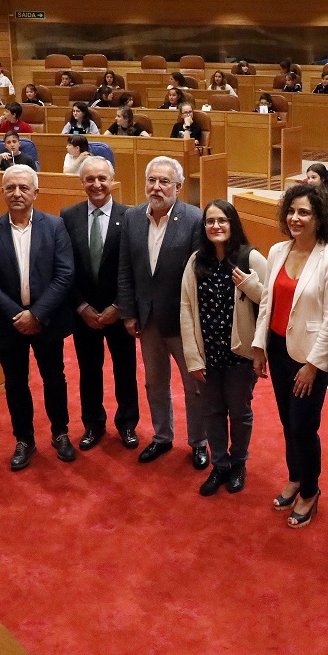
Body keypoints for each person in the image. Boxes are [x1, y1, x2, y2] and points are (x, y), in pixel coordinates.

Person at [251, 183, 328, 528]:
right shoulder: (278, 251)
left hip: (308, 358)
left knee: (303, 426)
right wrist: (259, 346)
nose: (295, 218)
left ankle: (310, 491)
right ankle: (295, 476)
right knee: (285, 421)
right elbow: (267, 302)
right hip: (277, 348)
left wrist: (313, 366)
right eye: (291, 211)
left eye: (304, 212)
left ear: (319, 218)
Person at [0, 165, 76, 470]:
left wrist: (38, 314)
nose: (16, 193)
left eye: (23, 188)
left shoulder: (55, 226)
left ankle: (61, 433)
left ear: (35, 193)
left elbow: (65, 273)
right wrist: (18, 315)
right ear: (2, 192)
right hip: (9, 323)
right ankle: (25, 439)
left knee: (54, 379)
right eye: (10, 188)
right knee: (15, 383)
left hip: (47, 321)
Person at [117, 157, 208, 467]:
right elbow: (125, 268)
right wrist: (128, 312)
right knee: (155, 383)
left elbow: (201, 275)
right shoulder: (131, 217)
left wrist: (198, 322)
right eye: (151, 180)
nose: (156, 187)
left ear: (178, 187)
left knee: (194, 386)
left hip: (183, 322)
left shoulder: (195, 219)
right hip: (148, 319)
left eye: (164, 181)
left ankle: (198, 442)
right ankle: (162, 436)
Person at [180, 199, 267, 496]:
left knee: (240, 411)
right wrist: (192, 357)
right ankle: (220, 465)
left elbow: (269, 304)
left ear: (233, 224)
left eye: (222, 220)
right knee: (213, 411)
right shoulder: (196, 261)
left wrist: (250, 287)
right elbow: (186, 309)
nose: (215, 226)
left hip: (240, 355)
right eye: (210, 221)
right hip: (208, 353)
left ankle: (239, 463)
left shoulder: (251, 258)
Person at [61, 156, 141, 451]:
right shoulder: (67, 216)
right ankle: (93, 424)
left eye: (102, 178)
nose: (97, 184)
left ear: (112, 180)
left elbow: (135, 267)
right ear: (82, 182)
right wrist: (81, 307)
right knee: (89, 371)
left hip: (118, 313)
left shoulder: (131, 216)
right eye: (90, 179)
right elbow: (65, 268)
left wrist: (119, 307)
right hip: (86, 315)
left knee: (125, 370)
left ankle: (128, 423)